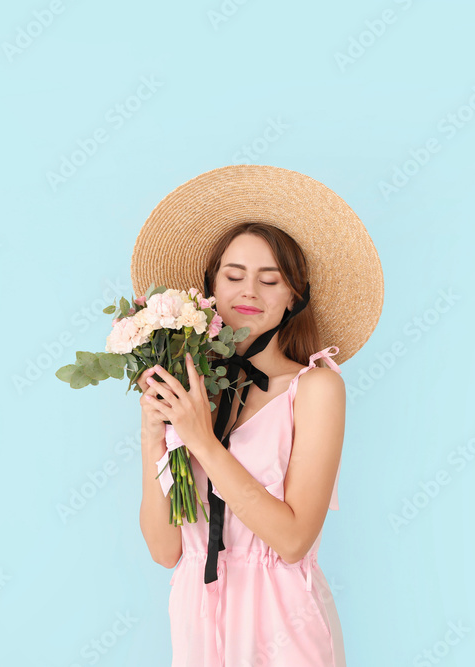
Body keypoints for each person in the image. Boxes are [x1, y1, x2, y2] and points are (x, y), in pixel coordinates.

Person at [130, 165, 384, 667]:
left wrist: (201, 440)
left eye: (271, 280)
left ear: (294, 297)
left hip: (282, 620)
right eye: (233, 275)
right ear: (210, 286)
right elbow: (165, 552)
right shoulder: (191, 389)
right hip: (198, 613)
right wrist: (152, 438)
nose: (249, 292)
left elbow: (292, 541)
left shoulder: (316, 388)